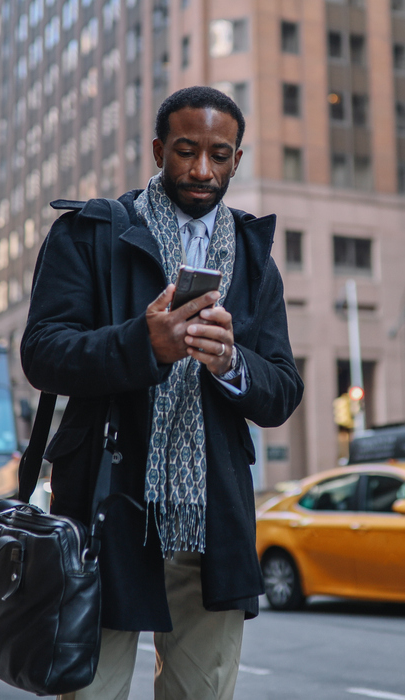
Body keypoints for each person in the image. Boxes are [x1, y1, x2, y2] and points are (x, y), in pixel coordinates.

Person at [21, 85, 304, 700]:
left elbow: (281, 391)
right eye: (185, 150)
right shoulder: (91, 233)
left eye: (219, 155)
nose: (202, 170)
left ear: (236, 158)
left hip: (214, 518)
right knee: (90, 691)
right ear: (158, 150)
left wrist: (232, 362)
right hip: (106, 507)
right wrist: (142, 344)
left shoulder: (256, 261)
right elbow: (42, 353)